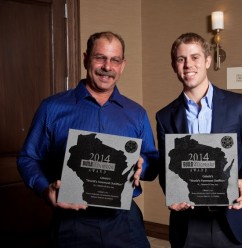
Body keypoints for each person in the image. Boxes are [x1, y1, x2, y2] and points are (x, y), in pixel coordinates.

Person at [17, 31, 158, 248]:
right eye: (100, 57)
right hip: (72, 222)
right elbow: (28, 158)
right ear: (85, 58)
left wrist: (142, 165)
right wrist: (45, 190)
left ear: (122, 65)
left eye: (115, 60)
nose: (107, 67)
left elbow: (151, 161)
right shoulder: (52, 108)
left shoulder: (136, 113)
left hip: (124, 222)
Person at [156, 32, 242, 248]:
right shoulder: (165, 116)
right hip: (189, 224)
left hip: (234, 218)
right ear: (174, 66)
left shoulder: (239, 105)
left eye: (195, 57)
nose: (188, 65)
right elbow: (165, 166)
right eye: (181, 59)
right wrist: (171, 193)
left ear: (207, 60)